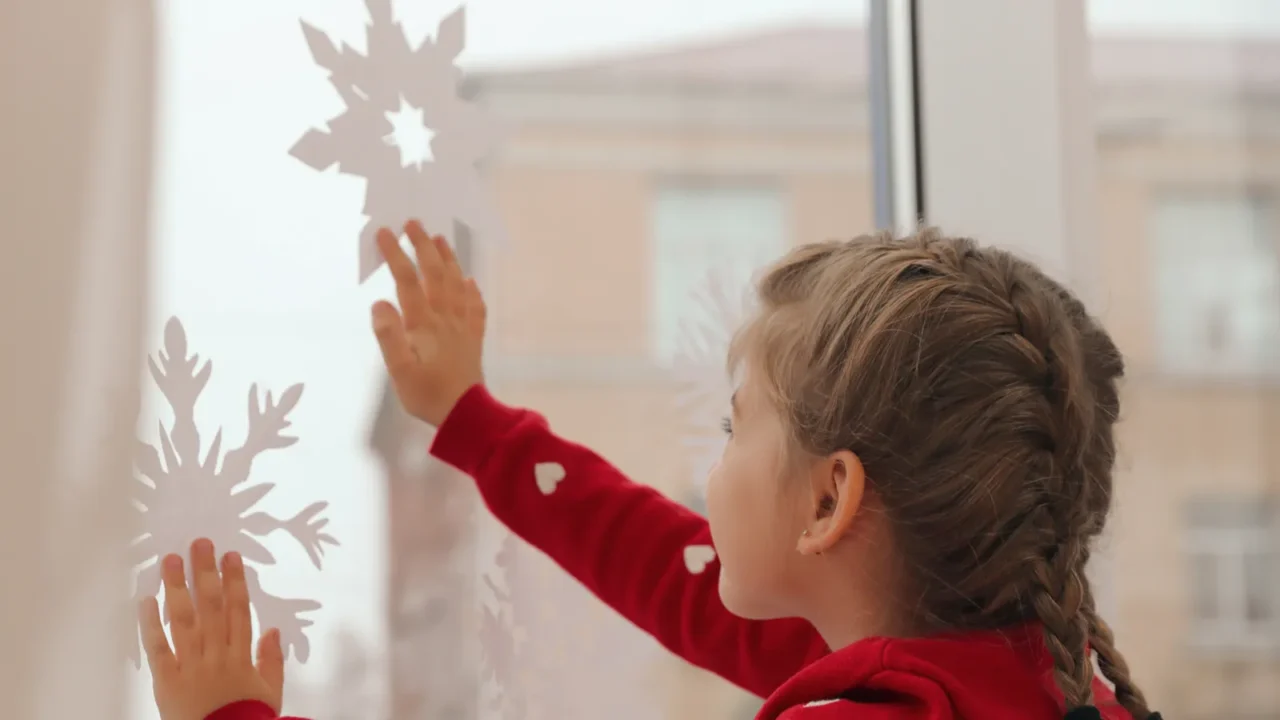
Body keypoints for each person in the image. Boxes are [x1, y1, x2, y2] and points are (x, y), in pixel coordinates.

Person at [143, 220, 1163, 720]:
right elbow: (660, 565)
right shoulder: (1041, 682)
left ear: (827, 499)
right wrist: (475, 424)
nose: (705, 471)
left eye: (730, 430)